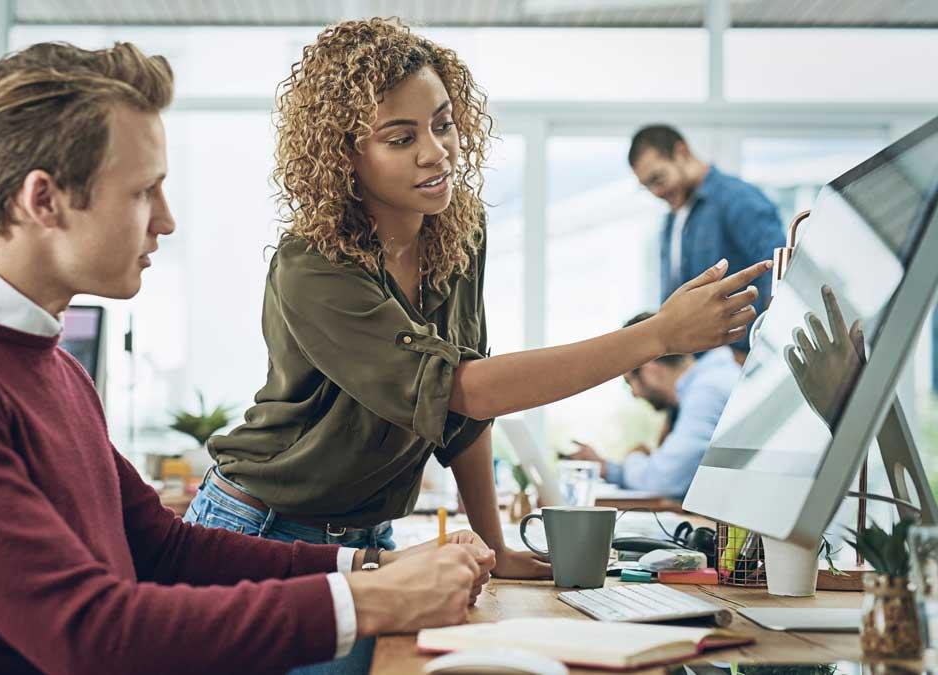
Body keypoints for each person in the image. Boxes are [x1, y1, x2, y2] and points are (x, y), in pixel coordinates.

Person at [0, 41, 496, 675]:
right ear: (43, 200)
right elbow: (84, 632)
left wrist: (375, 565)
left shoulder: (48, 364)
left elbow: (160, 548)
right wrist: (378, 598)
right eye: (144, 190)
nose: (166, 219)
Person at [189, 20, 769, 673]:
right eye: (401, 137)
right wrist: (654, 336)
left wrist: (498, 544)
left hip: (366, 538)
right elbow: (463, 385)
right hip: (265, 532)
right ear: (345, 155)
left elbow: (463, 417)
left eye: (443, 123)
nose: (436, 151)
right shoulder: (312, 265)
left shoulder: (455, 233)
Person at [629, 124, 786, 359]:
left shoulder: (736, 198)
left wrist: (762, 356)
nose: (656, 192)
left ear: (681, 152)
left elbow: (779, 272)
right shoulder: (673, 219)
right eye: (647, 186)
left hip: (740, 362)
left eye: (658, 178)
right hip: (700, 368)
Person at [566, 312, 742, 499]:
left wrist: (633, 457)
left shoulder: (707, 391)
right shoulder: (708, 383)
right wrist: (608, 469)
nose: (634, 394)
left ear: (649, 367)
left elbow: (664, 481)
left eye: (629, 382)